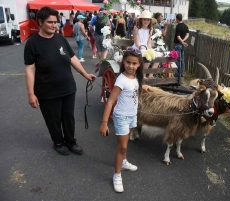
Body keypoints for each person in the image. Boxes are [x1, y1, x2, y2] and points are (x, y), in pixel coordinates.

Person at [24, 6, 96, 155]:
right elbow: (30, 69)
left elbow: (72, 58)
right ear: (40, 22)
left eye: (55, 22)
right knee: (53, 119)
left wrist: (85, 74)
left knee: (68, 117)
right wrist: (31, 93)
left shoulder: (60, 38)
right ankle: (58, 142)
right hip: (47, 91)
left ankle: (71, 141)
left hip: (68, 87)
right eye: (50, 22)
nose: (54, 25)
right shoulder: (32, 43)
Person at [99, 48, 144, 193]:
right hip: (122, 116)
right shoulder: (121, 80)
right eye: (128, 62)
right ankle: (117, 175)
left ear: (139, 64)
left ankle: (123, 162)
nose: (131, 66)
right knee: (122, 146)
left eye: (134, 63)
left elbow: (133, 90)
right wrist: (104, 123)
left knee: (125, 144)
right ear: (123, 62)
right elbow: (111, 101)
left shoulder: (136, 77)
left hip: (132, 115)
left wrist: (145, 87)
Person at [132, 10, 155, 78]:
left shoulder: (150, 29)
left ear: (150, 21)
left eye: (148, 20)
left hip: (145, 47)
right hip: (137, 47)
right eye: (144, 19)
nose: (146, 21)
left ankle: (150, 75)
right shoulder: (137, 29)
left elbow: (149, 42)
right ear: (141, 20)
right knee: (144, 53)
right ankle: (143, 74)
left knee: (154, 55)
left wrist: (150, 49)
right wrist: (141, 47)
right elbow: (136, 42)